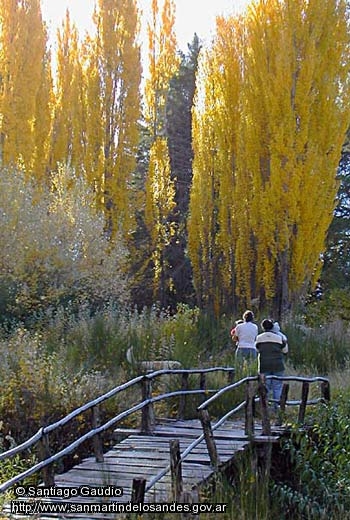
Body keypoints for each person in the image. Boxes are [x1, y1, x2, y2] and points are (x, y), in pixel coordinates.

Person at [255, 318, 288, 410]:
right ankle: (277, 408)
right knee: (277, 387)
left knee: (266, 387)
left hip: (264, 365)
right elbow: (285, 350)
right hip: (277, 364)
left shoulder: (259, 338)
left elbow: (257, 350)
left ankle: (266, 408)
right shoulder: (279, 338)